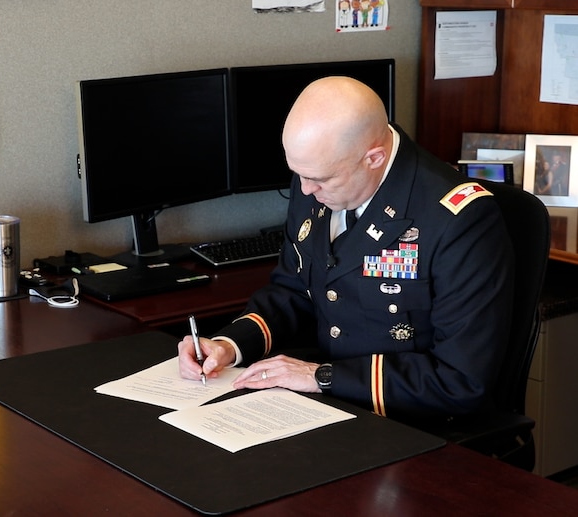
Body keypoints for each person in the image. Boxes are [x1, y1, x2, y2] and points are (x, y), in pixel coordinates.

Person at [178, 76, 514, 420]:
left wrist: (320, 376)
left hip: (406, 418)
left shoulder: (457, 219)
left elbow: (460, 382)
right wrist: (228, 345)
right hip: (325, 402)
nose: (305, 190)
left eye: (320, 179)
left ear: (374, 157)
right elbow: (296, 290)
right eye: (298, 174)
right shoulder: (317, 171)